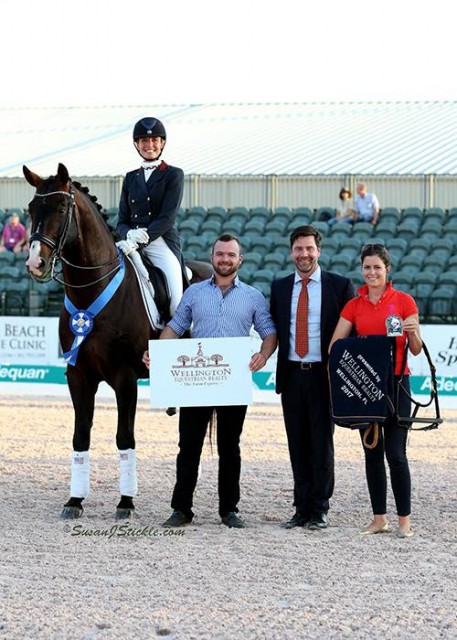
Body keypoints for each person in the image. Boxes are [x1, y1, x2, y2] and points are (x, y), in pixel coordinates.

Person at [144, 233, 277, 528]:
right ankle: (182, 509)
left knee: (230, 446)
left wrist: (263, 355)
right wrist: (157, 352)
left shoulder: (252, 296)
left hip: (233, 382)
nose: (225, 259)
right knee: (188, 445)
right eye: (220, 254)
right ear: (212, 257)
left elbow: (269, 332)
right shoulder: (194, 293)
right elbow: (175, 327)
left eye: (231, 255)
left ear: (239, 259)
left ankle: (229, 510)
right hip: (197, 383)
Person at [329, 243, 423, 538]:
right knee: (372, 453)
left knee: (397, 454)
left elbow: (416, 351)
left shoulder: (404, 301)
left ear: (387, 270)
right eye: (367, 267)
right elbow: (335, 346)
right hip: (366, 388)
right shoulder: (353, 306)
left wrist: (413, 332)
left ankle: (404, 521)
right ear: (362, 270)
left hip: (396, 385)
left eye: (377, 268)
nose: (372, 272)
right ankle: (379, 518)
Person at [270, 225, 355, 530]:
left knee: (321, 443)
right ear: (291, 252)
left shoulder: (340, 285)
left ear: (319, 251)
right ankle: (301, 506)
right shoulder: (279, 287)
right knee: (297, 443)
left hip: (324, 376)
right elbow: (275, 332)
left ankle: (319, 508)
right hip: (291, 375)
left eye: (309, 249)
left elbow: (351, 334)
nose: (304, 254)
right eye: (298, 249)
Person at [117, 116, 187, 315]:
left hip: (160, 242)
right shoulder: (130, 178)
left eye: (154, 140)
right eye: (144, 141)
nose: (149, 145)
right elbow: (122, 220)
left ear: (162, 143)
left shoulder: (174, 174)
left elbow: (168, 218)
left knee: (176, 303)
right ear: (137, 145)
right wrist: (129, 235)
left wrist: (144, 237)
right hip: (129, 244)